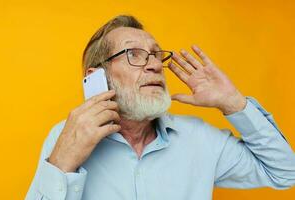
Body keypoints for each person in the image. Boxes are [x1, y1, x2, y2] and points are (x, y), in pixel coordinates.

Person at [26, 15, 295, 200]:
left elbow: (285, 172)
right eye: (133, 54)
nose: (154, 64)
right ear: (96, 76)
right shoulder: (65, 136)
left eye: (155, 54)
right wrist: (61, 163)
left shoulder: (200, 139)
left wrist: (234, 103)